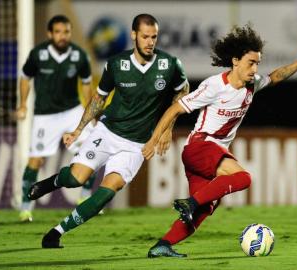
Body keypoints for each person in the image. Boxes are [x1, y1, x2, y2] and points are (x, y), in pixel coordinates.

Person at [142, 24, 297, 257]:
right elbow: (175, 108)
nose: (255, 68)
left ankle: (162, 245)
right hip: (200, 147)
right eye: (250, 62)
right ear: (235, 61)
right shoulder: (214, 86)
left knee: (203, 210)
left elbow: (275, 77)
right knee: (243, 178)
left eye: (257, 62)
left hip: (206, 154)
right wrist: (154, 139)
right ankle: (191, 202)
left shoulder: (251, 84)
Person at [27, 13, 189, 248]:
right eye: (145, 36)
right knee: (75, 178)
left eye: (154, 37)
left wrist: (167, 129)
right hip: (108, 132)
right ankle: (51, 183)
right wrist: (78, 130)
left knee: (107, 192)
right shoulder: (116, 64)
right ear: (133, 35)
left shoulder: (169, 64)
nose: (150, 42)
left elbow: (182, 90)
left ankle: (56, 233)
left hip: (136, 145)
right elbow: (98, 98)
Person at [16, 15, 98, 222]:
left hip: (72, 111)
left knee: (90, 150)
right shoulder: (38, 54)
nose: (63, 36)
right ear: (50, 34)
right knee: (36, 160)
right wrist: (23, 104)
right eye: (58, 32)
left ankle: (85, 198)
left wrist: (90, 114)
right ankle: (25, 208)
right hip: (45, 115)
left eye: (66, 32)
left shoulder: (79, 56)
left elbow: (87, 85)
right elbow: (25, 78)